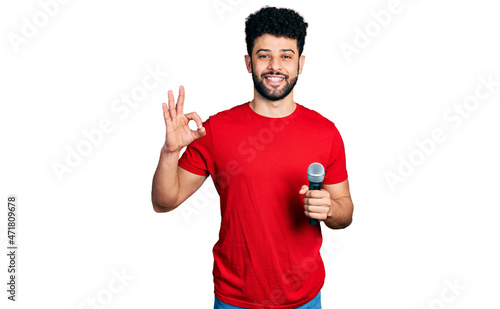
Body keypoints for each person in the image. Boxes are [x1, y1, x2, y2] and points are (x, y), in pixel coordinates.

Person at [151, 6, 353, 309]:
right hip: (236, 299)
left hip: (304, 298)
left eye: (286, 55)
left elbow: (345, 212)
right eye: (264, 55)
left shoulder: (326, 133)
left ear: (301, 63)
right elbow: (164, 202)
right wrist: (170, 151)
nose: (275, 66)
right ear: (249, 62)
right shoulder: (215, 130)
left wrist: (330, 209)